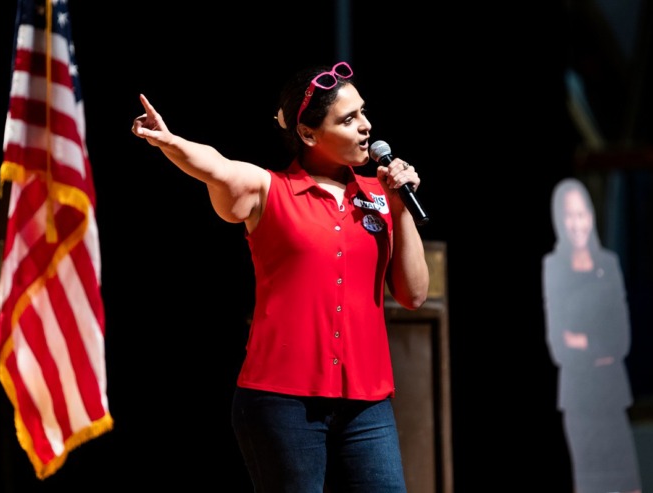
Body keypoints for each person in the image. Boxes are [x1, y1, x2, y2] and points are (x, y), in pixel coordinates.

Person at [131, 61, 429, 492]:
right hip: (283, 402)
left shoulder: (382, 198)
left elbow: (414, 295)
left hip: (367, 403)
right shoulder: (269, 189)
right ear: (308, 134)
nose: (366, 127)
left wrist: (401, 209)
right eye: (348, 119)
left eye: (363, 112)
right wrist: (169, 141)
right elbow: (218, 167)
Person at [542, 178, 642, 493]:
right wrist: (598, 348)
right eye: (569, 215)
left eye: (582, 214)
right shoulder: (553, 266)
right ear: (560, 219)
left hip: (612, 394)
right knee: (589, 483)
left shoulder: (609, 264)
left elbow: (621, 340)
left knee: (627, 483)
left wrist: (584, 342)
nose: (577, 223)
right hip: (577, 400)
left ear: (592, 216)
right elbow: (559, 346)